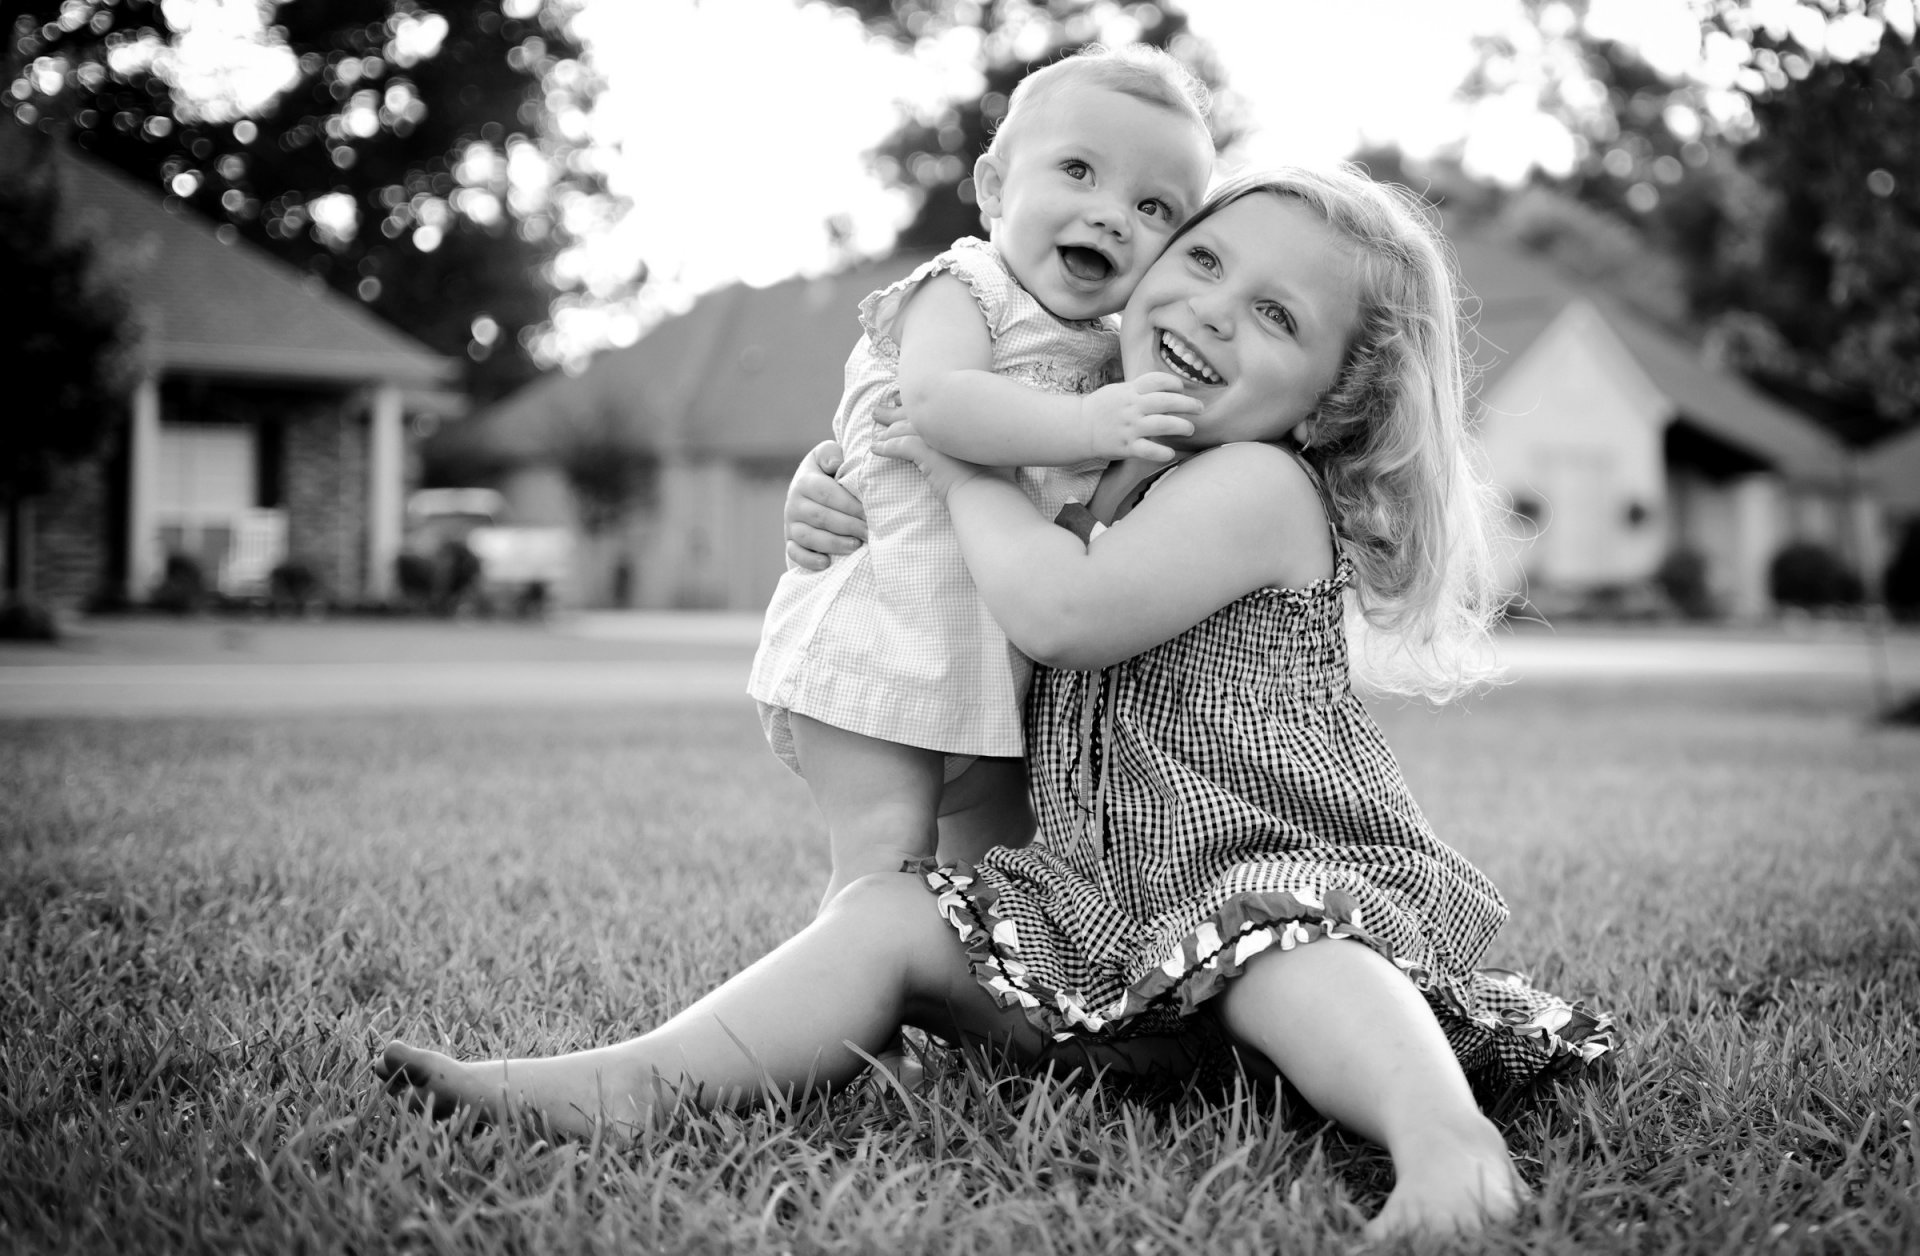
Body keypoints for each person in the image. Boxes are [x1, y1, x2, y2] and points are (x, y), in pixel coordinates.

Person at [376, 166, 1615, 1241]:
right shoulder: (1091, 453)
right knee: (886, 915)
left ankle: (1446, 1140)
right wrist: (848, 485)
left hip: (1255, 872)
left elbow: (1058, 608)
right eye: (1202, 260)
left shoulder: (1257, 483)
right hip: (1111, 931)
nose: (1211, 313)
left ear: (1332, 403)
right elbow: (939, 568)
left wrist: (954, 452)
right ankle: (636, 1079)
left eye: (1275, 315)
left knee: (1283, 948)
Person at [747, 45, 1216, 910]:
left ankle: (959, 1033)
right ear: (996, 186)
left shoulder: (1116, 355)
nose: (1112, 215)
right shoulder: (968, 286)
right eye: (1079, 171)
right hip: (886, 642)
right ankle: (856, 1032)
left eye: (1154, 207)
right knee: (886, 866)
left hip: (1000, 684)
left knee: (994, 888)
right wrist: (1086, 422)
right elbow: (936, 403)